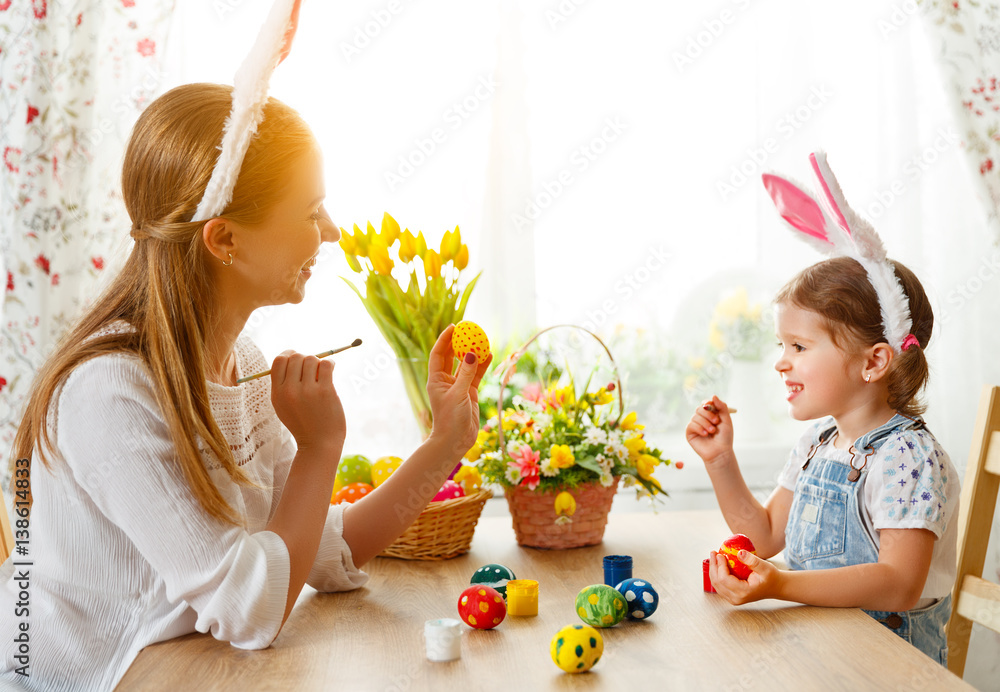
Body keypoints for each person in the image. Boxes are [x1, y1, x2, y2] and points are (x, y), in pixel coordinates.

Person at [0, 78, 491, 691]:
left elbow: (319, 553)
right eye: (312, 212)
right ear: (224, 238)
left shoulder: (242, 362)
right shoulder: (109, 394)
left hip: (187, 669)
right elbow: (250, 611)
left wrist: (445, 443)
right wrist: (318, 448)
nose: (333, 233)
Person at [686, 155, 959, 665]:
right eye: (781, 345)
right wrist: (720, 461)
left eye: (799, 347)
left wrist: (782, 585)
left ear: (874, 361)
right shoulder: (819, 443)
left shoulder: (909, 458)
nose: (781, 364)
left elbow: (899, 585)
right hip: (821, 654)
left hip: (888, 669)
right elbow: (766, 536)